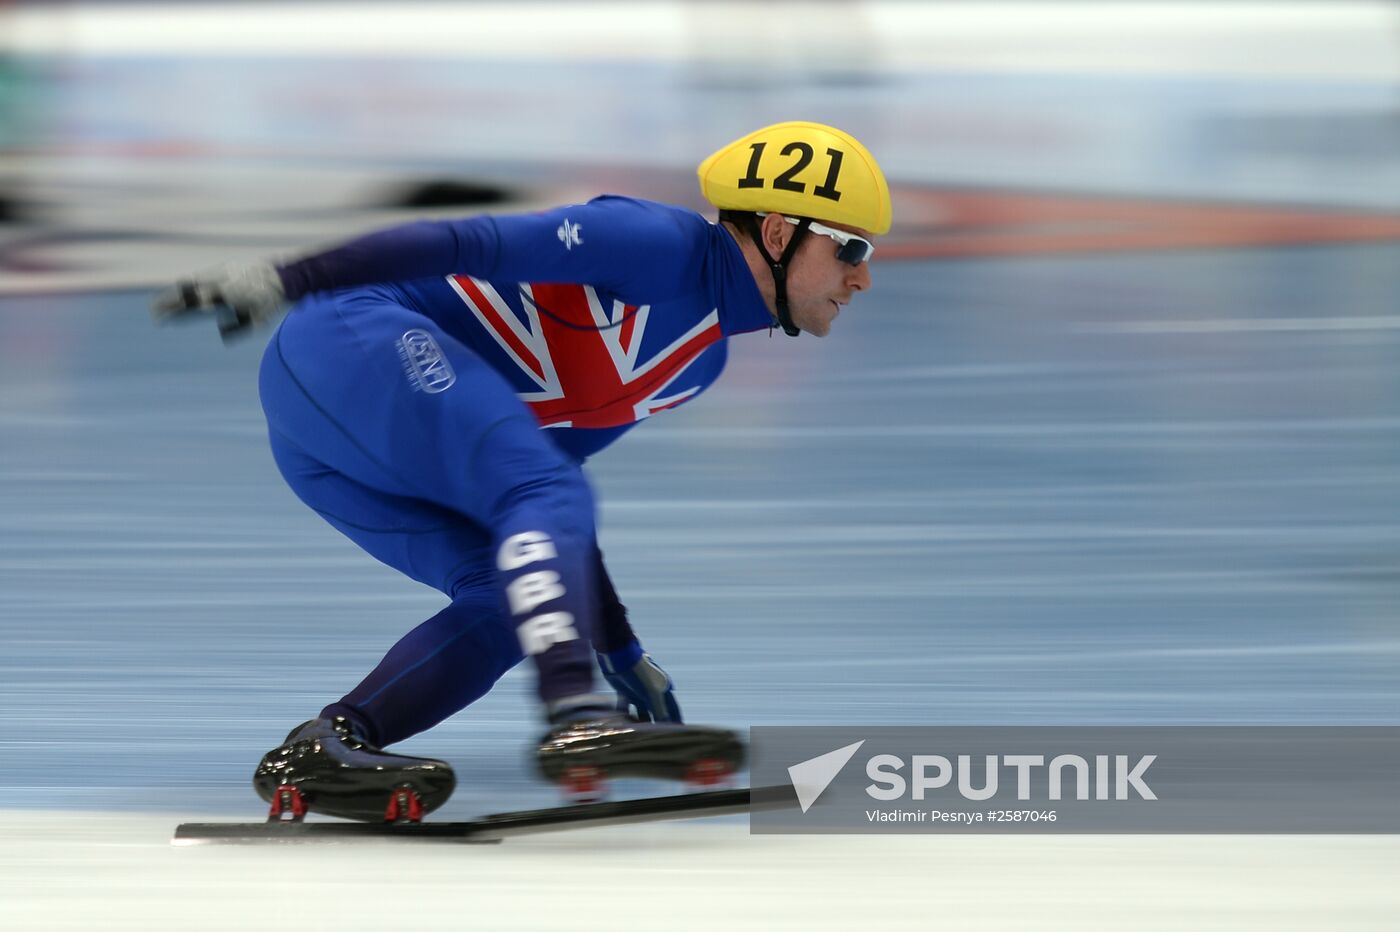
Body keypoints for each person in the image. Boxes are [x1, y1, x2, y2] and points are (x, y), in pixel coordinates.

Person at [154, 121, 891, 822]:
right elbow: (463, 239)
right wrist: (288, 276)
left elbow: (545, 490)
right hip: (350, 336)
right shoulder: (653, 242)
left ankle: (327, 744)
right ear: (776, 230)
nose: (862, 278)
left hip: (335, 453)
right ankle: (573, 717)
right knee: (540, 490)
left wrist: (621, 649)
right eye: (851, 248)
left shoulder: (700, 363)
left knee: (513, 600)